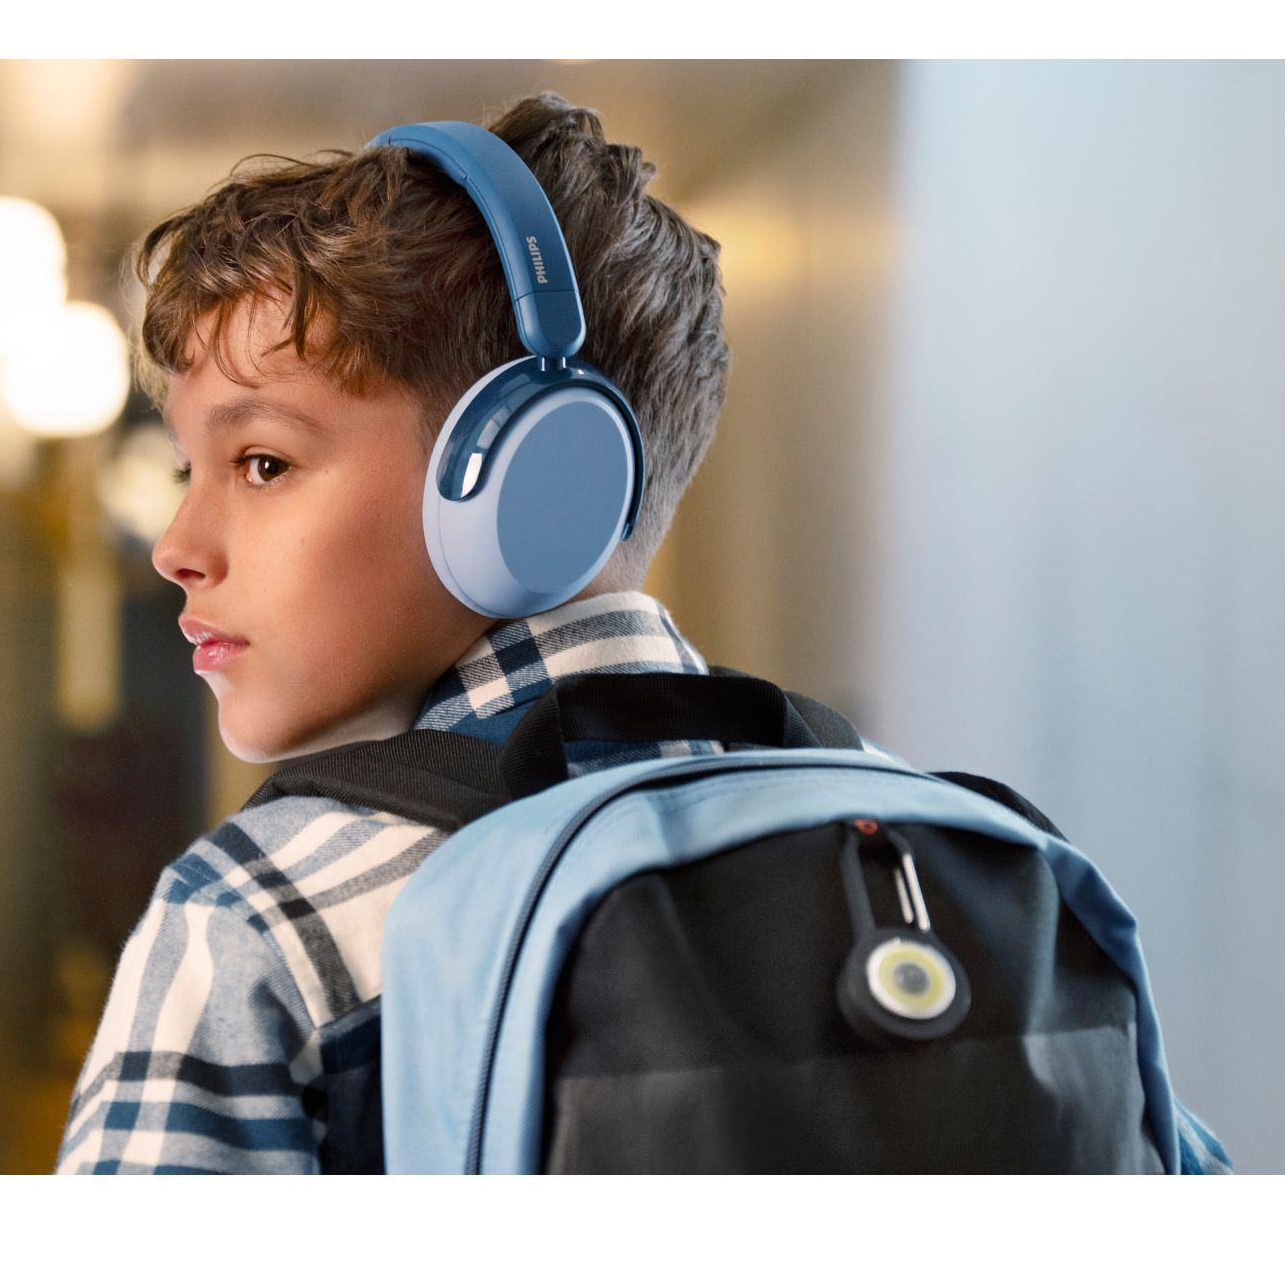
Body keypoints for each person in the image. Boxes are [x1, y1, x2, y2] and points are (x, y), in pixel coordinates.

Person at [56, 92, 762, 1173]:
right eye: (183, 468)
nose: (175, 547)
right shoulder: (919, 858)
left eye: (261, 463)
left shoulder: (259, 918)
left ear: (531, 486)